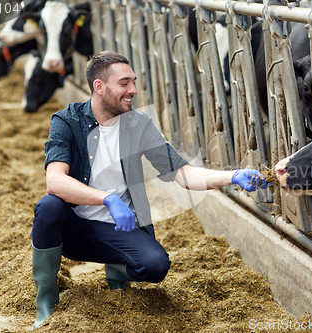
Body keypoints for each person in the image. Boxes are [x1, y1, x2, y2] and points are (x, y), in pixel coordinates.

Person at [31, 50, 271, 328]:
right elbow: (55, 181)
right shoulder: (67, 120)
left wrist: (233, 176)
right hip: (74, 229)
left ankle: (117, 271)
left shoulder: (138, 123)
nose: (133, 89)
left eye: (133, 82)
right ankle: (46, 299)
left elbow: (182, 174)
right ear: (99, 87)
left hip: (119, 228)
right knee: (48, 206)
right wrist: (107, 198)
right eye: (124, 83)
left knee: (156, 265)